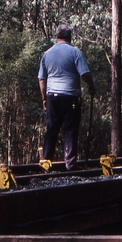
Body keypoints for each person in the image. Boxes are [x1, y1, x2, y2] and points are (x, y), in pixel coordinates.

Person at [38, 24, 96, 170]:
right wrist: (92, 85)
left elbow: (42, 79)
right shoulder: (75, 52)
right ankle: (70, 163)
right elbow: (84, 74)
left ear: (56, 36)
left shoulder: (47, 54)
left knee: (52, 128)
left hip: (52, 97)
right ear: (70, 37)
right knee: (70, 129)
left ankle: (46, 162)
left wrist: (44, 98)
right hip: (70, 97)